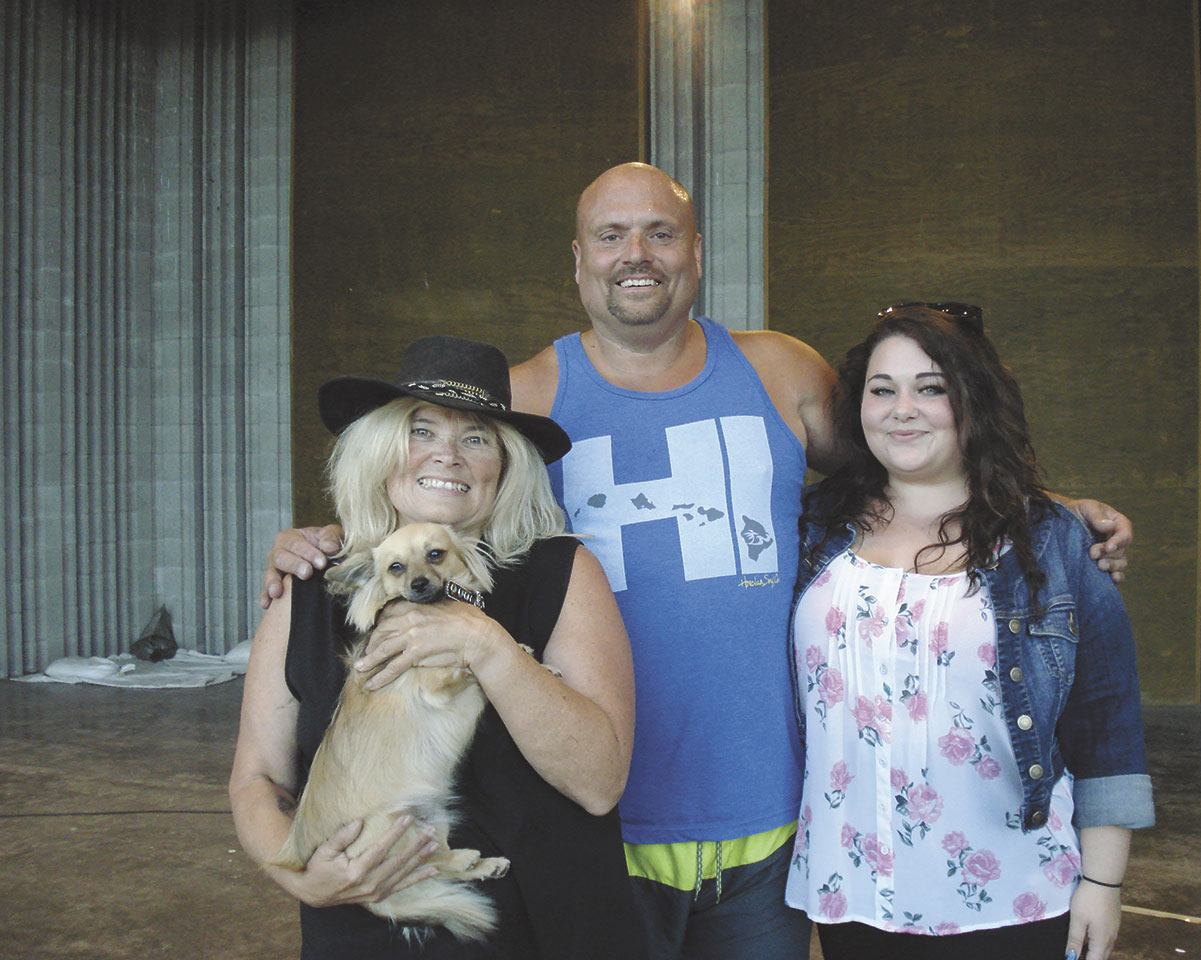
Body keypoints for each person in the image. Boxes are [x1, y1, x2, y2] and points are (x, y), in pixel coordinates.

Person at [261, 163, 1134, 960]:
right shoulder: (528, 400)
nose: (635, 254)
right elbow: (424, 497)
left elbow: (904, 459)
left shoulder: (779, 368)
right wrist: (324, 542)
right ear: (577, 260)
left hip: (775, 829)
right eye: (610, 235)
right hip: (604, 827)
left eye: (660, 232)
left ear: (697, 253)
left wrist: (1043, 512)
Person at [230, 335, 644, 959]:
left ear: (503, 465)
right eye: (421, 431)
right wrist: (298, 876)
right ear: (382, 452)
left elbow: (599, 782)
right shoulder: (311, 588)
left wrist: (486, 644)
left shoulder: (561, 572)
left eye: (475, 437)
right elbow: (258, 776)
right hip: (364, 935)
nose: (447, 455)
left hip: (543, 933)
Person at [788, 304, 1154, 960]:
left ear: (973, 402)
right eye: (883, 389)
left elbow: (1107, 724)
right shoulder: (812, 530)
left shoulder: (1052, 543)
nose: (904, 408)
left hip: (1014, 893)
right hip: (856, 892)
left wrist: (1103, 881)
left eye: (932, 388)